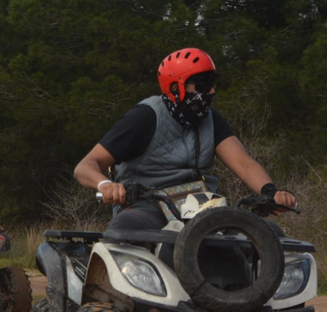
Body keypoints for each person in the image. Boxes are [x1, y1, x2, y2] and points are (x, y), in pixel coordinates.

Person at [74, 47, 296, 231]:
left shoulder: (212, 119)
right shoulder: (144, 117)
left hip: (202, 207)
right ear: (175, 87)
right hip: (148, 206)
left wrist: (270, 192)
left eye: (212, 84)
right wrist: (106, 185)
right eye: (201, 86)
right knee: (126, 225)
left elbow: (244, 164)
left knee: (268, 232)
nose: (210, 92)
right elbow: (85, 166)